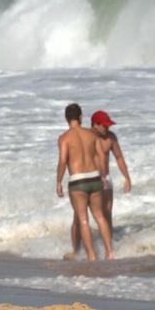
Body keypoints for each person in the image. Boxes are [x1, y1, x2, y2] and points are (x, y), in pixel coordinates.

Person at [56, 103, 113, 261]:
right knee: (100, 216)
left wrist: (59, 182)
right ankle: (110, 252)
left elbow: (62, 161)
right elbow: (101, 156)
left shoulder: (64, 138)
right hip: (94, 177)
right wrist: (102, 176)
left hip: (78, 181)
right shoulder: (91, 135)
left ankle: (92, 255)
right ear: (81, 117)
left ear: (66, 119)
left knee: (83, 219)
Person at [90, 110, 131, 238]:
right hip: (90, 178)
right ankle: (81, 246)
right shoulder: (86, 137)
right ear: (95, 124)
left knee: (107, 211)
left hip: (106, 178)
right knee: (85, 214)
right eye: (104, 125)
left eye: (108, 125)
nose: (107, 128)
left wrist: (127, 177)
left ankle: (109, 241)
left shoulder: (111, 137)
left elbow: (119, 157)